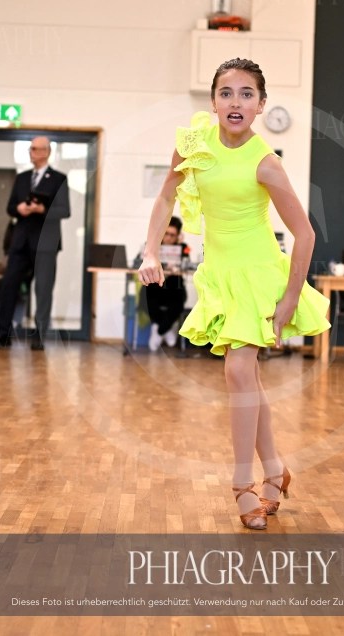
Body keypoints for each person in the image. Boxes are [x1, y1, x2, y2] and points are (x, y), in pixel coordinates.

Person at [138, 58, 330, 530]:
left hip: (258, 275)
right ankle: (275, 471)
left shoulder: (266, 162)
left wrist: (290, 298)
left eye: (247, 94)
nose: (236, 102)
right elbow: (166, 195)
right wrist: (150, 251)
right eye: (226, 93)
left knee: (239, 371)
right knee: (249, 381)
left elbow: (304, 234)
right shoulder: (193, 143)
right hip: (219, 274)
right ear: (213, 101)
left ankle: (242, 483)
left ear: (261, 105)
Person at [0, 136, 70, 350]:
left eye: (35, 149)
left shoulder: (58, 179)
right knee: (9, 285)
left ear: (46, 152)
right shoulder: (22, 178)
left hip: (45, 244)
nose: (31, 153)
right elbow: (10, 207)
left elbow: (65, 210)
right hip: (20, 242)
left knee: (43, 289)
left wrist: (42, 209)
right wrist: (19, 209)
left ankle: (39, 336)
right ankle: (3, 333)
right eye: (30, 149)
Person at [139, 216, 189, 351]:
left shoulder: (183, 247)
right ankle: (165, 329)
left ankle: (159, 330)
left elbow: (187, 264)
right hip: (155, 286)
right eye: (166, 233)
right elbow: (139, 261)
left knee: (178, 302)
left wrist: (179, 245)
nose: (168, 238)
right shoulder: (151, 246)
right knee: (146, 298)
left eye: (172, 235)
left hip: (174, 287)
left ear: (178, 235)